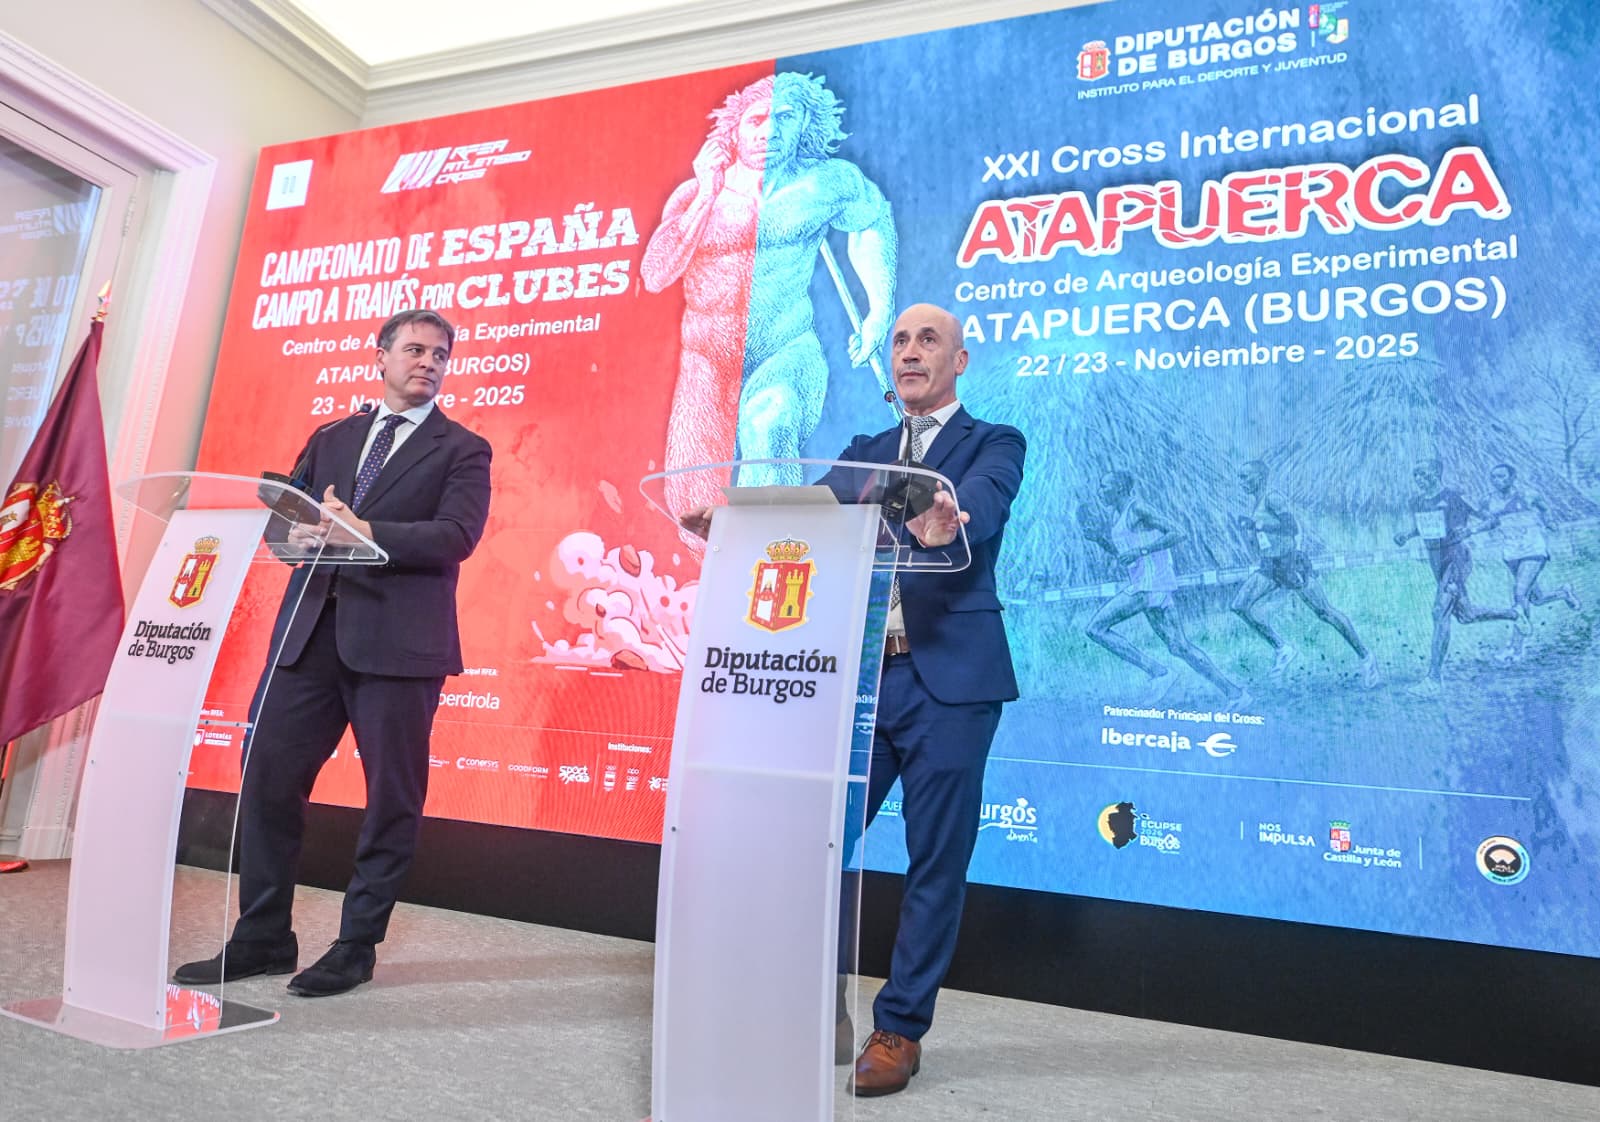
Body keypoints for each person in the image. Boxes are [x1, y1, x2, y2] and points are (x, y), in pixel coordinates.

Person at [683, 302, 1023, 1097]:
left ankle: (899, 1028)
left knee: (936, 860)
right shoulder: (865, 452)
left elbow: (982, 505)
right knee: (812, 845)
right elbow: (808, 522)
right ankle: (818, 1007)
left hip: (953, 685)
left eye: (928, 340)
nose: (910, 352)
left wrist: (951, 521)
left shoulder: (993, 442)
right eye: (900, 340)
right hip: (862, 681)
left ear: (959, 361)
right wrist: (733, 526)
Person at [175, 309, 491, 997]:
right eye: (415, 350)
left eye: (440, 355)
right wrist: (288, 532)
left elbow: (456, 536)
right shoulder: (332, 437)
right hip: (308, 637)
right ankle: (262, 937)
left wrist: (365, 529)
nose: (429, 363)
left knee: (391, 800)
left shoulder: (464, 449)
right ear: (380, 357)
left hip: (400, 649)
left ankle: (356, 946)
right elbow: (287, 522)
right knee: (267, 781)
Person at [642, 71, 896, 517]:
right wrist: (706, 194)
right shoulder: (696, 194)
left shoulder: (824, 185)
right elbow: (656, 274)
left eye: (785, 117)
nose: (769, 131)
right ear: (734, 130)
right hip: (707, 359)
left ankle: (772, 549)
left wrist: (879, 310)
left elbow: (871, 222)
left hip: (786, 348)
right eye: (756, 120)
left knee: (768, 422)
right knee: (693, 502)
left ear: (804, 124)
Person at [1081, 471, 1248, 707]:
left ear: (1119, 488)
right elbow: (1125, 556)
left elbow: (1178, 533)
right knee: (1179, 647)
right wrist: (1100, 540)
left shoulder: (1137, 508)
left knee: (1095, 628)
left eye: (1104, 486)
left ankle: (1159, 672)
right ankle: (1236, 694)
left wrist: (1141, 551)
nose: (1100, 491)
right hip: (1152, 587)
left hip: (1149, 586)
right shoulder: (1118, 516)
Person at [1229, 460, 1379, 687]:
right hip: (1269, 565)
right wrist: (1253, 531)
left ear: (1259, 477)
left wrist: (1258, 527)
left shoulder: (1272, 498)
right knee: (1239, 606)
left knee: (1324, 612)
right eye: (1239, 477)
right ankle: (1282, 648)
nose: (1241, 482)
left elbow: (1291, 528)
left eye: (1245, 477)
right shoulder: (1257, 503)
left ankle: (1366, 657)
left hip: (1290, 563)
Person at [1393, 458, 1515, 696]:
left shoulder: (1455, 496)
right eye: (1416, 475)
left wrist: (1471, 530)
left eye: (1424, 474)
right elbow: (1424, 526)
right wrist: (1406, 535)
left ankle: (1433, 679)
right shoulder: (1416, 501)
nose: (1419, 479)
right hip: (1436, 562)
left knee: (1440, 611)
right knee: (1466, 615)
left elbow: (1491, 519)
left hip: (1457, 558)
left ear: (1437, 472)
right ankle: (1513, 614)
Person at [1481, 462, 1579, 661]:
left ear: (1512, 477)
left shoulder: (1528, 495)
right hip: (1511, 553)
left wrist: (1548, 521)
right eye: (1494, 477)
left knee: (1519, 594)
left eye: (1502, 476)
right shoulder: (1488, 501)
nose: (1497, 481)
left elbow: (1544, 508)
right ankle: (1563, 593)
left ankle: (1515, 648)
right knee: (1536, 598)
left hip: (1533, 548)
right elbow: (1489, 521)